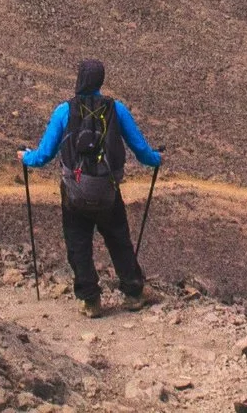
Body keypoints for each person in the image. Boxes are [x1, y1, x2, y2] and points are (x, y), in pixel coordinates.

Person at [19, 58, 162, 315]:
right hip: (107, 190)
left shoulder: (64, 111)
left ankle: (91, 300)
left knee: (78, 244)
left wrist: (26, 157)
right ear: (100, 80)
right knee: (119, 239)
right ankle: (133, 292)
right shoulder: (116, 110)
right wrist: (156, 159)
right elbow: (140, 149)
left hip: (74, 192)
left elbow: (44, 154)